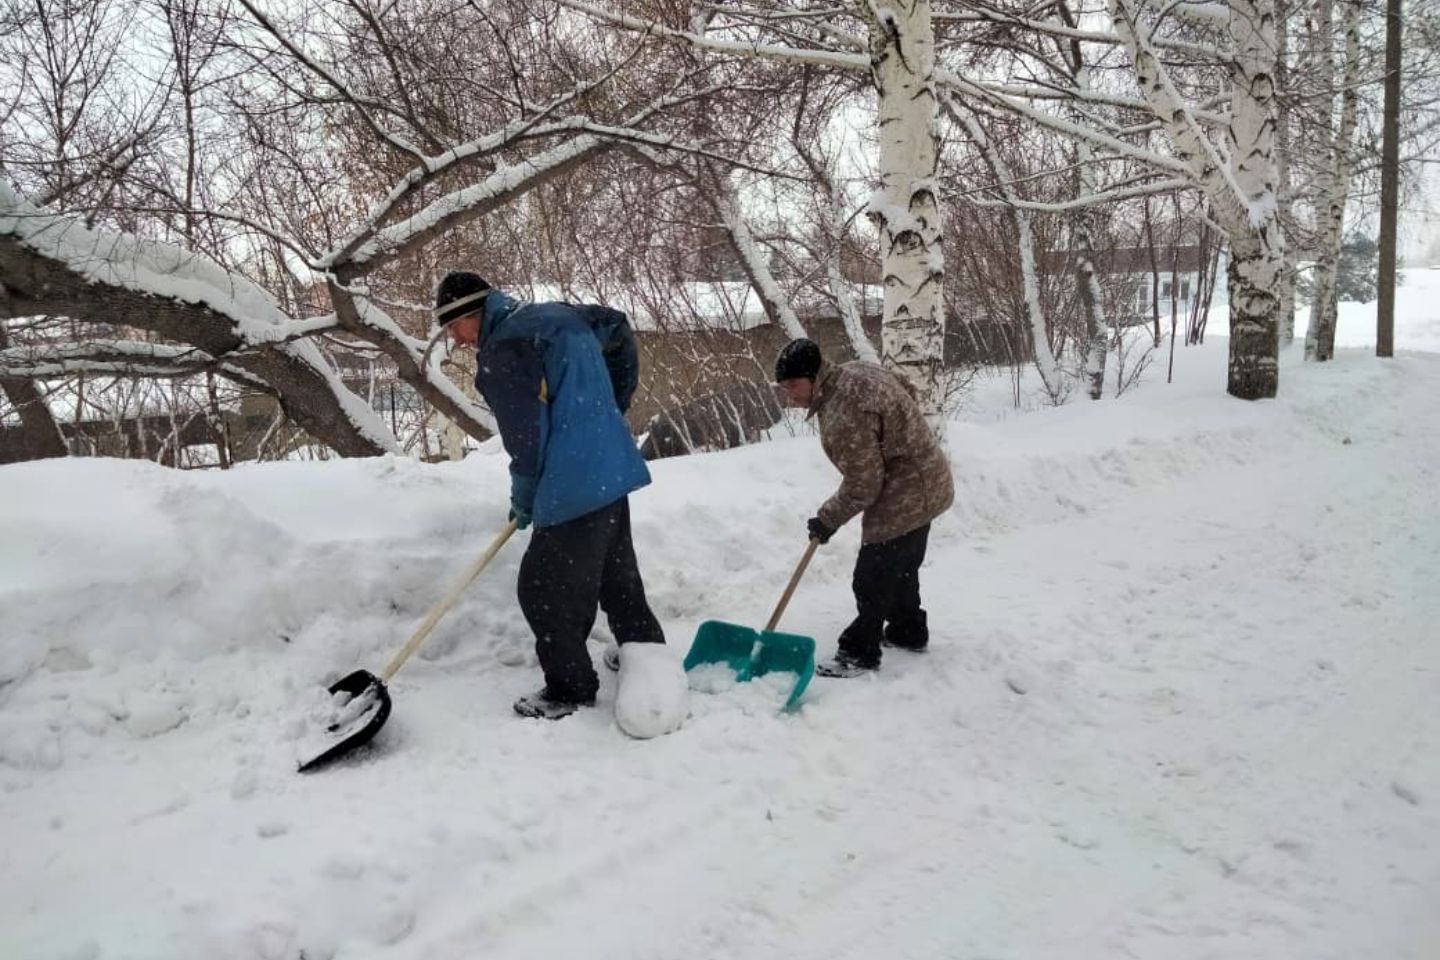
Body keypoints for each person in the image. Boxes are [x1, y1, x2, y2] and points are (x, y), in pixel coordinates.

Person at [434, 270, 669, 720]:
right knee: (615, 575)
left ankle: (570, 687)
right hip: (609, 467)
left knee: (542, 587)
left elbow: (526, 440)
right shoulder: (552, 316)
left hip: (573, 482)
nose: (457, 341)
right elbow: (617, 325)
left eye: (453, 328)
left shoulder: (503, 350)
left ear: (471, 314)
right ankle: (647, 653)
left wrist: (524, 496)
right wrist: (609, 409)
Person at [773, 337, 954, 677]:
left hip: (907, 490)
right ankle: (907, 631)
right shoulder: (852, 372)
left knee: (871, 576)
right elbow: (905, 387)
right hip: (929, 474)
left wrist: (827, 520)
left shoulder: (844, 412)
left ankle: (859, 651)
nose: (790, 394)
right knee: (900, 567)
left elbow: (863, 485)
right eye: (783, 387)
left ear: (813, 376)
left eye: (794, 385)